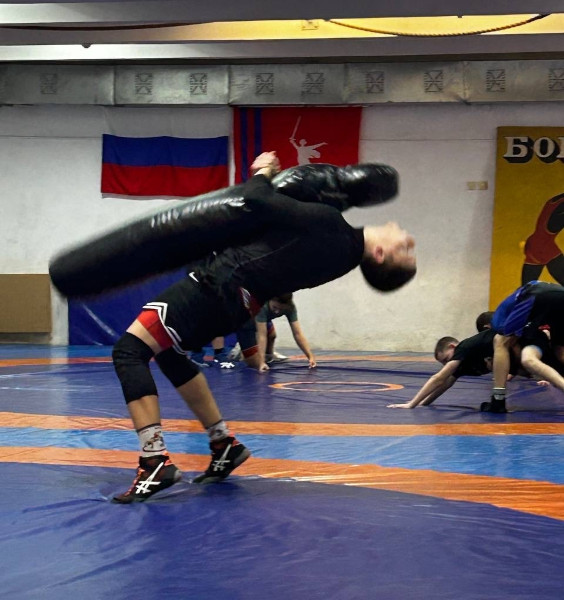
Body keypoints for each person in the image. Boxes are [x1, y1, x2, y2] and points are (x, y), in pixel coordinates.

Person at [110, 151, 417, 502]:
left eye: (406, 250)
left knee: (129, 351)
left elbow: (256, 200)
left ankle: (154, 462)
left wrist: (263, 171)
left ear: (380, 255)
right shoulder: (341, 255)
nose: (409, 240)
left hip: (216, 289)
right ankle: (223, 444)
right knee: (170, 353)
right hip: (240, 305)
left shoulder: (331, 226)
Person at [387, 327, 556, 410]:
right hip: (519, 355)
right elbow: (444, 385)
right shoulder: (463, 363)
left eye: (446, 359)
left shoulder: (463, 348)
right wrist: (424, 403)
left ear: (453, 347)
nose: (447, 365)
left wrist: (412, 403)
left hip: (528, 341)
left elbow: (438, 378)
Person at [485, 280, 564, 413]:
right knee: (560, 350)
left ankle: (498, 399)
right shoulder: (526, 314)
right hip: (557, 294)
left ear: (486, 327)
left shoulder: (497, 321)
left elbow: (508, 338)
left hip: (537, 295)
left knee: (500, 340)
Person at [256, 293, 316, 369]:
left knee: (272, 336)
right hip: (247, 321)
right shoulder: (262, 306)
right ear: (269, 299)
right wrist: (261, 362)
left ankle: (269, 356)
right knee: (253, 361)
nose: (277, 312)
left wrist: (310, 356)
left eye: (281, 309)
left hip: (264, 319)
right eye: (274, 307)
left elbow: (297, 333)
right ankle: (247, 354)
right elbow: (262, 336)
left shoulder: (290, 307)